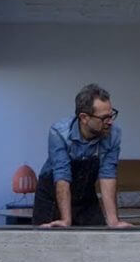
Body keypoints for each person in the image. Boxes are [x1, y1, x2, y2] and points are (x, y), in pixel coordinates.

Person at [33, 84, 132, 228]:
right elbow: (62, 176)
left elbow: (108, 175)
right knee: (46, 244)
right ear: (84, 118)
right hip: (52, 196)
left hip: (85, 197)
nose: (110, 122)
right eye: (104, 118)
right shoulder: (59, 132)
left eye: (111, 115)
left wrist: (114, 222)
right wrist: (66, 220)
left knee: (99, 240)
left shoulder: (113, 134)